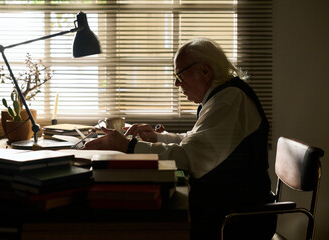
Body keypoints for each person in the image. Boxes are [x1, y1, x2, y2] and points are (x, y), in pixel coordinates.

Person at [84, 38, 276, 240]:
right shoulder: (221, 97)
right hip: (225, 206)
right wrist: (156, 137)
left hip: (236, 218)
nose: (176, 83)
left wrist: (128, 146)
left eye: (179, 75)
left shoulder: (229, 101)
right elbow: (195, 141)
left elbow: (188, 157)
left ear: (205, 71)